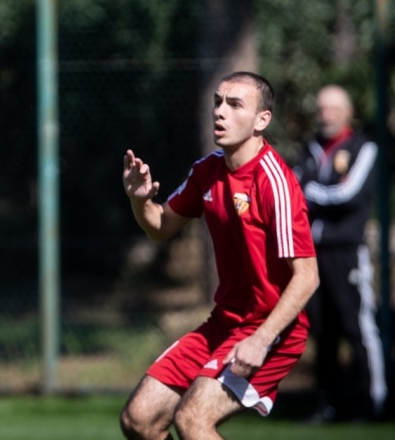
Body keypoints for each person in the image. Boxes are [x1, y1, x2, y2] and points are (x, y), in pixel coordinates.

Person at [119, 71, 319, 440]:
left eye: (235, 104)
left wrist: (261, 339)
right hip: (223, 324)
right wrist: (139, 199)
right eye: (218, 102)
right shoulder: (207, 171)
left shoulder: (274, 181)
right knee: (139, 419)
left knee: (193, 420)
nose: (220, 112)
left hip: (272, 329)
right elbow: (160, 226)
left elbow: (307, 276)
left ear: (263, 120)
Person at [293, 84, 386, 423]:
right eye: (320, 109)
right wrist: (309, 193)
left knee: (356, 326)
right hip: (310, 256)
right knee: (321, 330)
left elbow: (348, 193)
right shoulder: (310, 149)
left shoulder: (365, 147)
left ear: (348, 112)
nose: (325, 115)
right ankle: (328, 403)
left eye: (332, 108)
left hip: (346, 254)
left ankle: (373, 401)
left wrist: (312, 192)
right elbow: (292, 189)